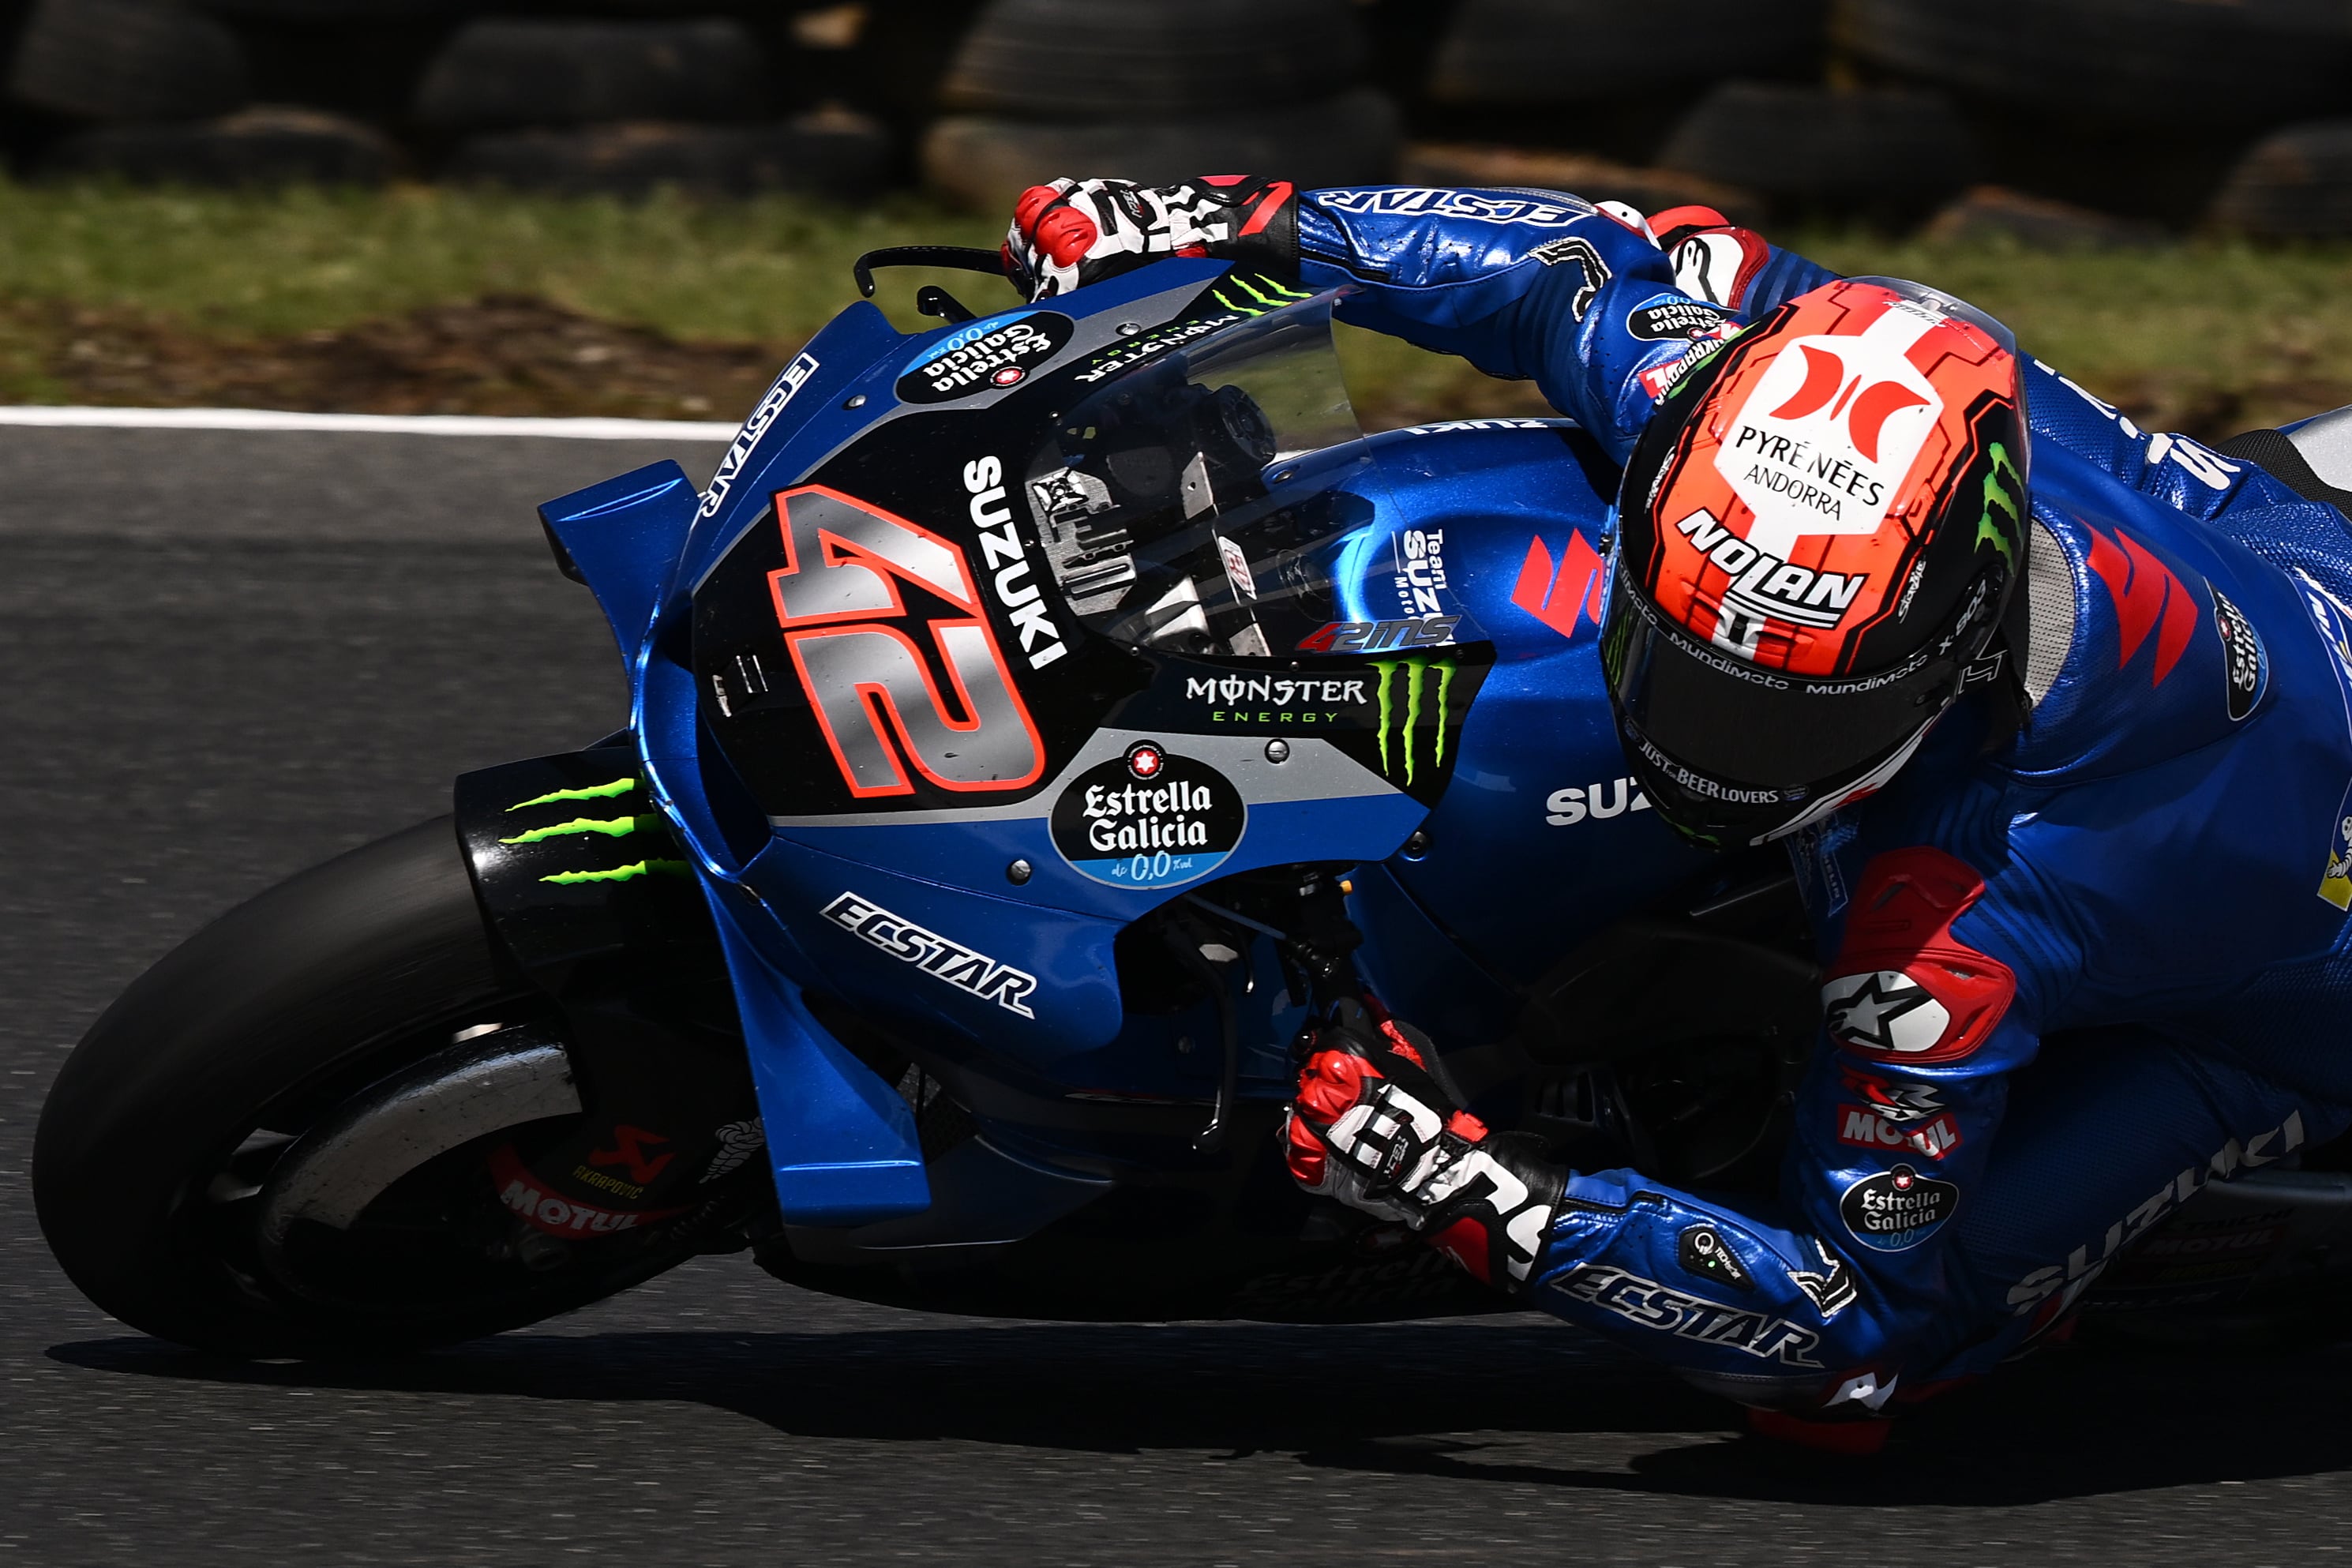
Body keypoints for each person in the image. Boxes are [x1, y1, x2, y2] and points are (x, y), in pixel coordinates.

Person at [1004, 176, 2352, 1442]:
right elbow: (1569, 267)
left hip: (2283, 991)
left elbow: (1847, 1326)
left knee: (1872, 1367)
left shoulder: (1959, 933)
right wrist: (1230, 219)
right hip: (2252, 535)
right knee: (1718, 257)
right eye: (1687, 665)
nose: (1705, 749)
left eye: (1780, 719)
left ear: (1940, 664)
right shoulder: (1733, 425)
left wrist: (1473, 1192)